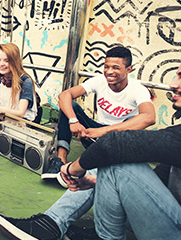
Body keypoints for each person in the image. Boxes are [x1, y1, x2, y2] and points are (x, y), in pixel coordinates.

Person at [0, 48, 181, 240]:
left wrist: (72, 169)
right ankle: (53, 225)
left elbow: (117, 142)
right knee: (105, 157)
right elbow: (158, 184)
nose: (172, 83)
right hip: (174, 226)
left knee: (115, 153)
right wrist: (94, 182)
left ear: (128, 70)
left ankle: (95, 238)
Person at [41, 46, 155, 187]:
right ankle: (60, 161)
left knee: (131, 122)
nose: (109, 72)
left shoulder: (138, 90)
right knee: (71, 107)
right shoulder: (100, 80)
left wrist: (104, 131)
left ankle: (96, 170)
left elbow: (149, 117)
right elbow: (65, 95)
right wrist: (73, 120)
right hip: (92, 137)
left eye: (116, 68)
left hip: (117, 141)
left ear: (128, 69)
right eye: (106, 67)